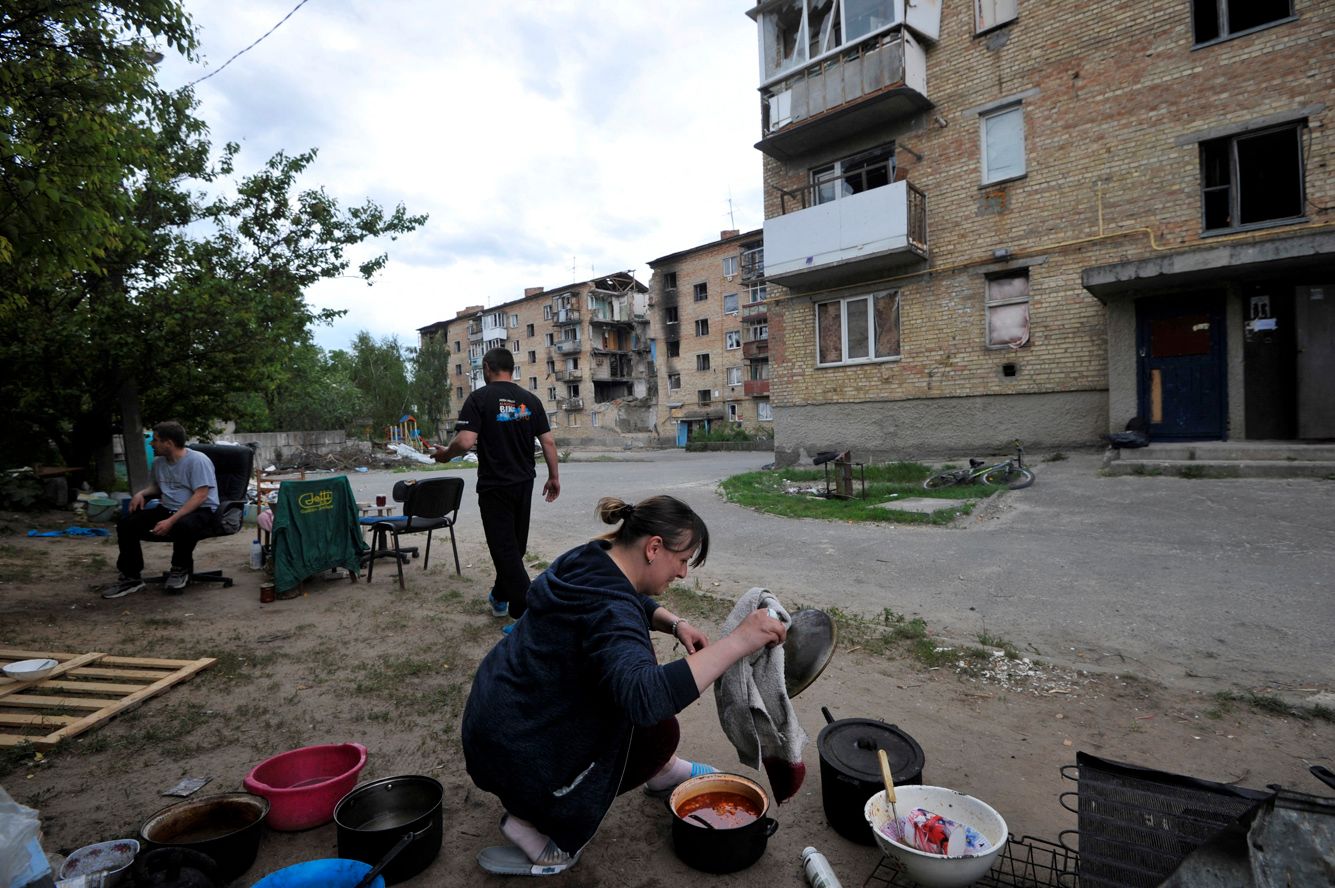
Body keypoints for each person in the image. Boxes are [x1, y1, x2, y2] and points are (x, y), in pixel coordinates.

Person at [460, 495, 787, 876]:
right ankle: (531, 821)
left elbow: (627, 592)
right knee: (653, 724)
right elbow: (646, 698)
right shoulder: (611, 612)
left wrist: (674, 623)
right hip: (520, 749)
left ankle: (662, 772)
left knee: (652, 729)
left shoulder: (592, 555)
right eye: (683, 560)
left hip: (496, 716)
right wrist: (740, 642)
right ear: (654, 548)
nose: (683, 573)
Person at [431, 347, 559, 623]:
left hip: (495, 486)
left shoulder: (480, 398)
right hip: (524, 483)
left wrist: (445, 455)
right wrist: (554, 476)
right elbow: (548, 441)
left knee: (505, 550)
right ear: (511, 368)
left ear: (488, 367)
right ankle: (500, 597)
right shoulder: (531, 400)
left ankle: (527, 615)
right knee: (514, 547)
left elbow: (465, 441)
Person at [102, 421, 219, 598]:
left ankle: (180, 569)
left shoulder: (197, 461)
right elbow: (159, 487)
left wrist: (171, 521)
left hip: (200, 510)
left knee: (183, 525)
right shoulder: (159, 463)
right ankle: (131, 577)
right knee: (126, 524)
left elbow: (201, 495)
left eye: (155, 440)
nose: (151, 444)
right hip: (168, 508)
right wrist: (142, 493)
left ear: (169, 443)